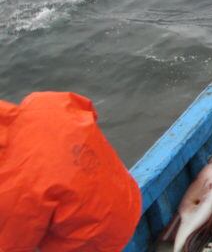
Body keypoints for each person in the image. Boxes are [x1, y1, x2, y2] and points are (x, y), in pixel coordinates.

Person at [0, 92, 141, 251]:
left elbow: (11, 246)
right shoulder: (44, 103)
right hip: (129, 196)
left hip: (98, 240)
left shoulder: (12, 189)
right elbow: (88, 110)